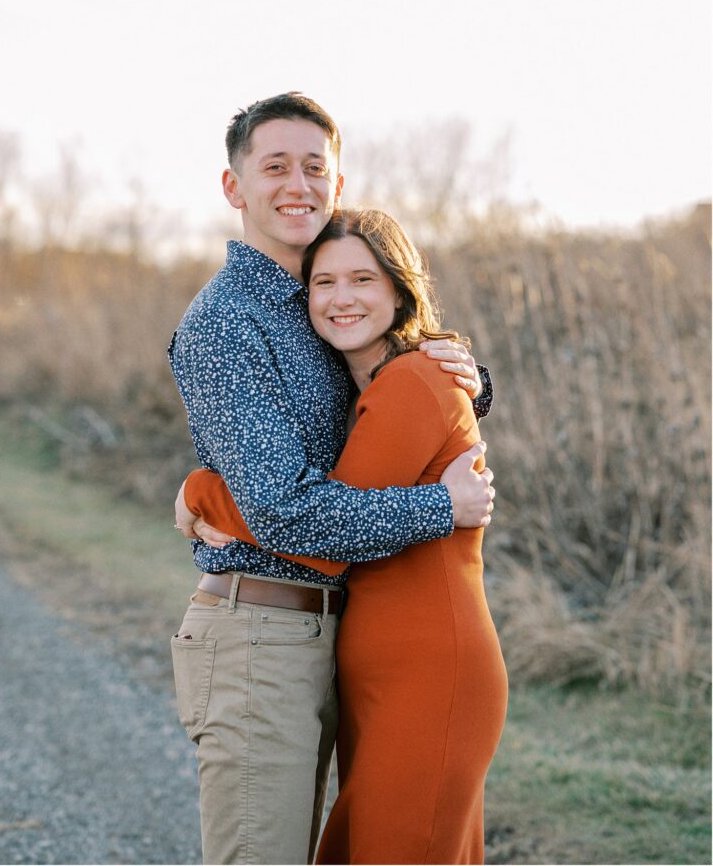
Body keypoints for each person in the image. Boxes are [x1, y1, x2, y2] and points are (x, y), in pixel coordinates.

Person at [168, 93, 495, 866]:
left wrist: (468, 383)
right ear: (233, 186)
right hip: (259, 635)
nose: (298, 185)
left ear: (337, 185)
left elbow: (386, 408)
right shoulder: (227, 323)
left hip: (329, 632)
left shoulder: (318, 306)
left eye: (315, 167)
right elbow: (290, 513)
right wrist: (441, 506)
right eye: (274, 166)